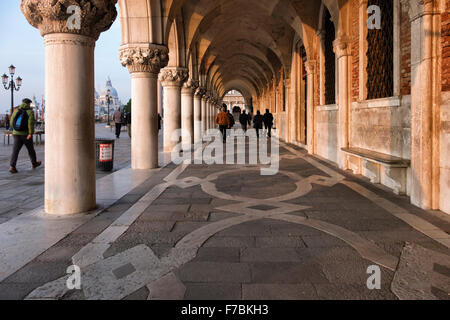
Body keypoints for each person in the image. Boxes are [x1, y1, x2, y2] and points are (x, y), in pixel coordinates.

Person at [9, 98, 41, 174]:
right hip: (26, 134)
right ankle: (34, 163)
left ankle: (12, 167)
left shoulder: (16, 110)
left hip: (16, 134)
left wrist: (15, 130)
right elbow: (30, 123)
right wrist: (30, 133)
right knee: (30, 149)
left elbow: (11, 122)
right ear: (29, 104)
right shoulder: (30, 112)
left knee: (15, 150)